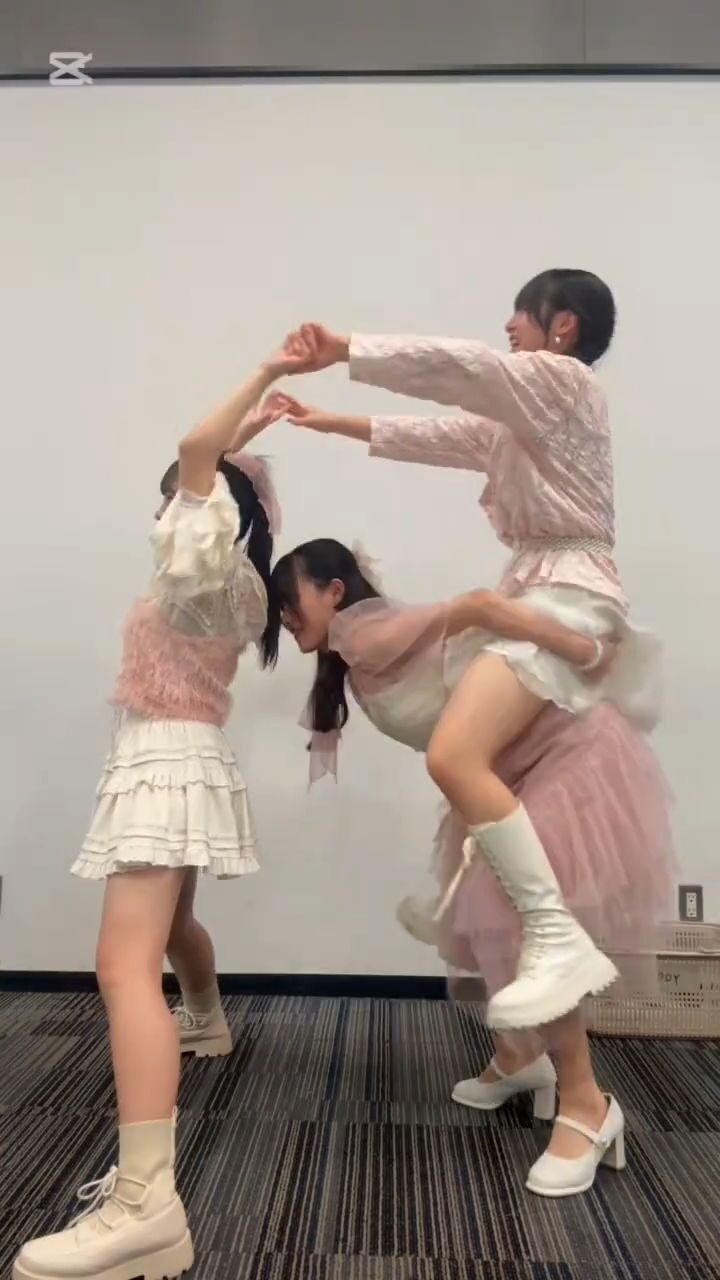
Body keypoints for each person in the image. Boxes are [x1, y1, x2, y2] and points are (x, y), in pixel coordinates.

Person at [269, 268, 662, 1035]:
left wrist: (345, 348)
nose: (508, 329)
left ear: (563, 326)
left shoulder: (564, 385)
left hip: (567, 595)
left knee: (454, 756)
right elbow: (435, 435)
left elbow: (460, 369)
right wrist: (328, 422)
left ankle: (555, 937)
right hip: (539, 594)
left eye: (520, 316)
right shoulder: (524, 425)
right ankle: (514, 1002)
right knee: (471, 768)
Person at [263, 539, 675, 1196]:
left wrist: (589, 651)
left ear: (335, 592)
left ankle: (588, 1105)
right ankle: (521, 1058)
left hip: (563, 757)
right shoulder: (355, 651)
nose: (285, 617)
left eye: (291, 600)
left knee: (530, 930)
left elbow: (481, 607)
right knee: (483, 922)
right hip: (509, 775)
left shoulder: (364, 633)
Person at [12, 358, 297, 1280]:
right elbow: (204, 465)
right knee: (170, 930)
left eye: (182, 495)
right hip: (184, 758)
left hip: (165, 761)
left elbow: (194, 451)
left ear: (209, 508)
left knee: (121, 967)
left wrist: (266, 377)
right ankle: (205, 1021)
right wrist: (245, 445)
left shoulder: (201, 564)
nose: (167, 505)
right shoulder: (232, 578)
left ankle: (146, 1205)